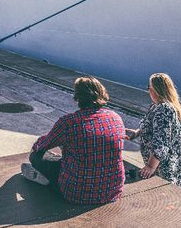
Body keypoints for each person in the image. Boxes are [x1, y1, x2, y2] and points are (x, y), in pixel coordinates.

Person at [21, 76, 126, 204]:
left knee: (36, 156)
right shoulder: (115, 117)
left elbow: (41, 146)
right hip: (112, 191)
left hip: (77, 193)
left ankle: (47, 179)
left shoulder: (68, 123)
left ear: (77, 97)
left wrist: (38, 145)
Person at [125, 73, 181, 187]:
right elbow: (151, 127)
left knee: (164, 198)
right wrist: (136, 133)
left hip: (164, 168)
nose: (149, 91)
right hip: (165, 164)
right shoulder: (157, 106)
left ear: (156, 90)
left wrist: (150, 166)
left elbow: (161, 143)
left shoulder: (164, 110)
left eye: (150, 87)